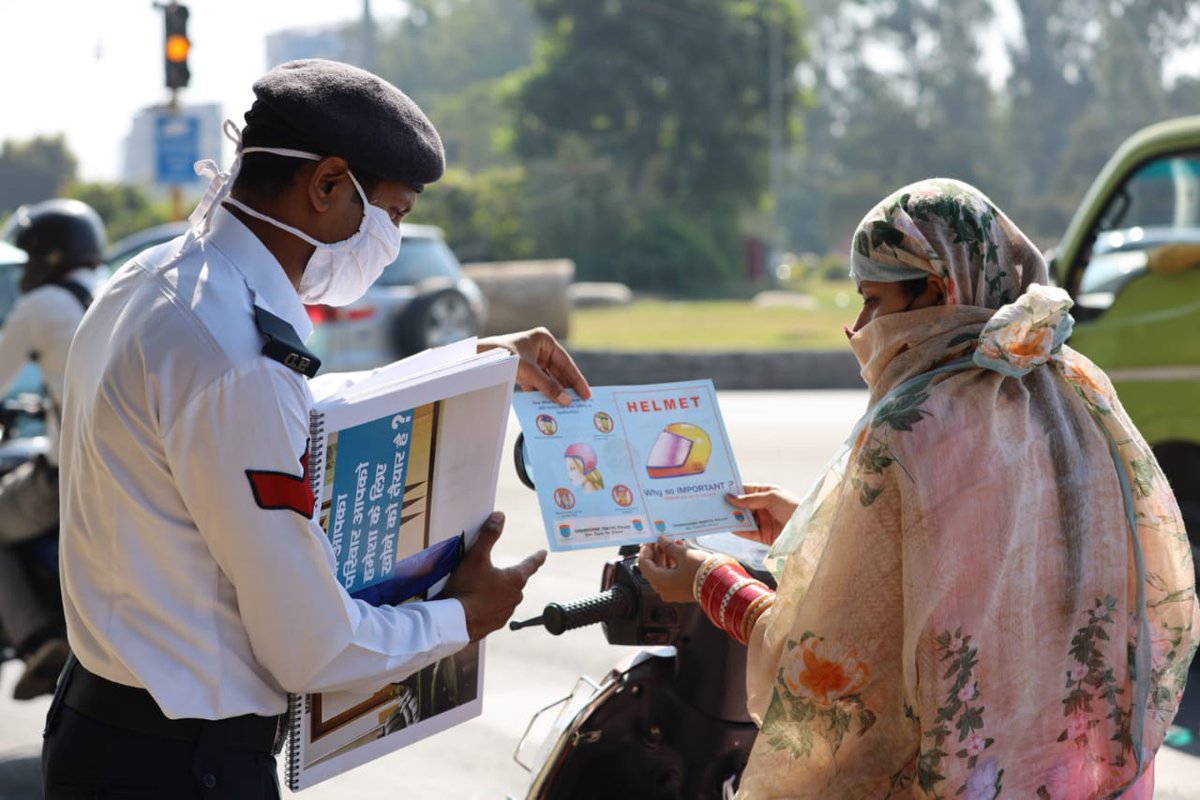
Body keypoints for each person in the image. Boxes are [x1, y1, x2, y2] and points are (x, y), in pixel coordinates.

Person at [42, 59, 590, 799]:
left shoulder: (153, 279)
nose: (391, 238)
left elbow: (283, 409)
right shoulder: (238, 358)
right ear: (328, 185)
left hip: (103, 726)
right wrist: (463, 616)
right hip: (180, 766)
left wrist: (481, 360)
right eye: (391, 214)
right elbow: (314, 647)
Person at [638, 178, 1199, 799]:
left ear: (936, 291)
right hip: (1073, 773)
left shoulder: (913, 423)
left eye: (873, 300)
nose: (858, 327)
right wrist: (819, 523)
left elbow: (838, 666)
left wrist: (705, 580)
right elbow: (995, 551)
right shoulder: (1075, 388)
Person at [0, 199, 106, 701]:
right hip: (116, 470)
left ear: (49, 256)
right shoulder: (107, 289)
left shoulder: (40, 305)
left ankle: (38, 638)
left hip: (67, 480)